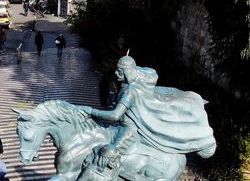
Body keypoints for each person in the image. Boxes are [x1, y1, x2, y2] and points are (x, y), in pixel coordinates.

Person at [77, 55, 217, 159]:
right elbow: (163, 91)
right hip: (123, 124)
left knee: (106, 156)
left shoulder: (131, 91)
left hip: (128, 129)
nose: (116, 73)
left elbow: (114, 115)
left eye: (119, 71)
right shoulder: (141, 84)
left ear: (127, 73)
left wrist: (90, 111)